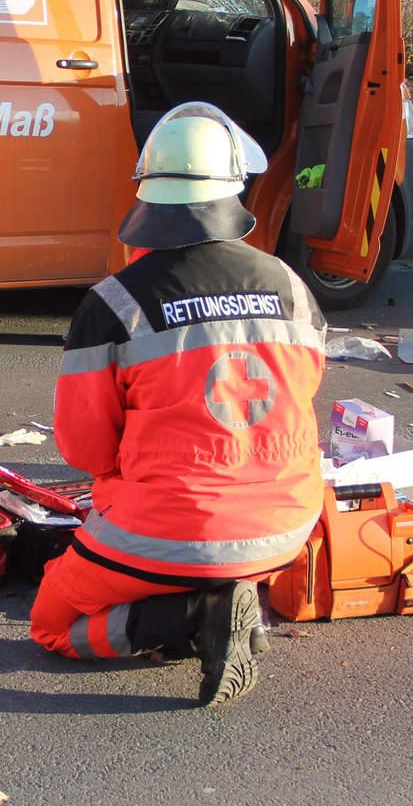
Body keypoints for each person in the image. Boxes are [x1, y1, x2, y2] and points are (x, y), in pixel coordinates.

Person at [29, 103, 327, 708]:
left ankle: (197, 614)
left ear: (149, 194)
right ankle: (230, 594)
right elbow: (305, 389)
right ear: (233, 190)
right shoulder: (291, 286)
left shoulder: (115, 303)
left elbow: (86, 449)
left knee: (52, 625)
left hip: (166, 535)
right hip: (288, 528)